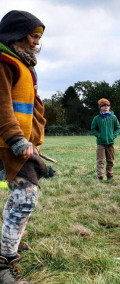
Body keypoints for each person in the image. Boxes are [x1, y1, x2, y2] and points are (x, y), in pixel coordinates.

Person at [0, 10, 47, 283]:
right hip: (8, 144)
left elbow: (33, 110)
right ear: (15, 34)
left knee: (19, 197)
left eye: (39, 38)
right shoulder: (4, 62)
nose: (35, 43)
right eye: (33, 36)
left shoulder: (24, 66)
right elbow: (3, 106)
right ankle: (4, 265)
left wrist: (35, 142)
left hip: (18, 144)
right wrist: (17, 139)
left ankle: (10, 245)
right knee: (26, 199)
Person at [90, 98, 120, 181]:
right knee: (100, 161)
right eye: (103, 105)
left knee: (110, 160)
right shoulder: (97, 118)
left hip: (110, 142)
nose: (106, 107)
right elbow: (93, 129)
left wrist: (113, 136)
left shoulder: (113, 117)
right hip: (101, 143)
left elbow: (118, 128)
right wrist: (99, 136)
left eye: (107, 105)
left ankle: (110, 176)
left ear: (109, 107)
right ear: (100, 107)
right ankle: (100, 177)